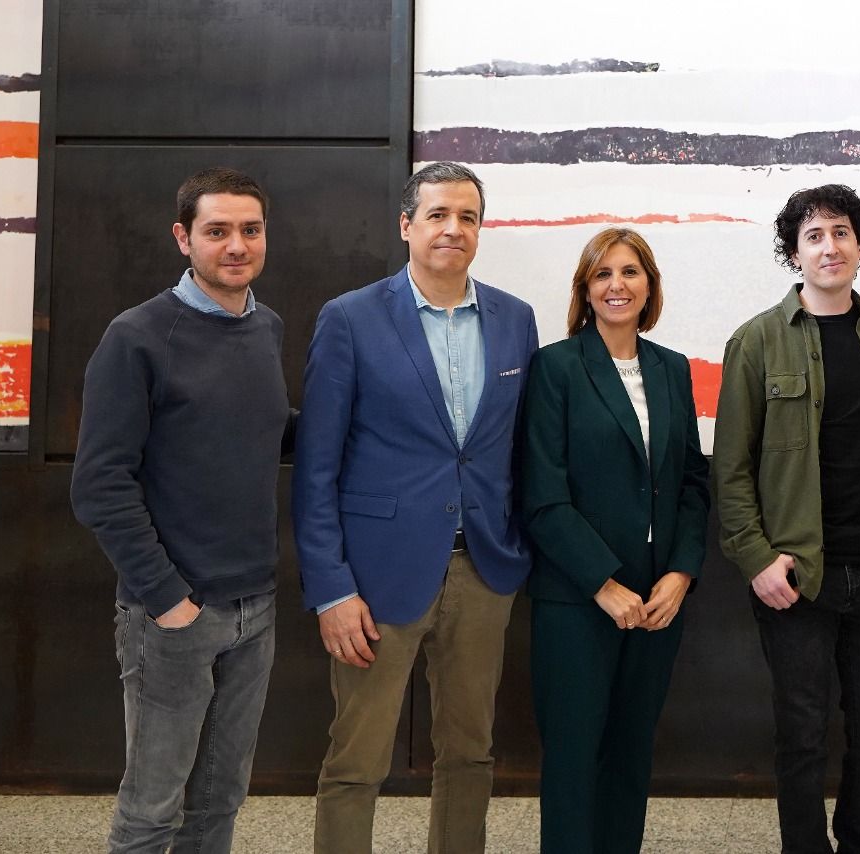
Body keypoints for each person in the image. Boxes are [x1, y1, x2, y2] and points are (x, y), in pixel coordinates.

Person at [292, 161, 538, 853]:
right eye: (437, 215)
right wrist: (331, 588)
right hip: (374, 580)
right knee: (357, 761)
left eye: (467, 217)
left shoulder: (516, 320)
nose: (453, 228)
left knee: (470, 754)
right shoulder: (350, 319)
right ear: (407, 225)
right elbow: (316, 469)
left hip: (483, 571)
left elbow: (519, 448)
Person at [71, 168, 291, 853]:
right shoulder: (136, 336)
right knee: (152, 812)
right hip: (172, 616)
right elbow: (99, 484)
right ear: (182, 237)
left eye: (250, 230)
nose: (237, 245)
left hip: (254, 607)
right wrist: (168, 600)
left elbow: (261, 430)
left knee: (219, 802)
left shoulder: (266, 327)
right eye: (217, 230)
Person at [712, 184, 860, 854]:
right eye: (814, 236)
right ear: (794, 252)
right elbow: (731, 469)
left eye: (841, 233)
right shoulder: (756, 340)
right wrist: (756, 560)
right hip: (796, 576)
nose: (830, 247)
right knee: (801, 734)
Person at [520, 228, 711, 853]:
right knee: (574, 761)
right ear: (585, 289)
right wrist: (602, 584)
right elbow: (543, 495)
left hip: (657, 600)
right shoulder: (556, 367)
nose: (617, 285)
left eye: (630, 272)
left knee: (631, 756)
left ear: (649, 285)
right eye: (602, 274)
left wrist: (680, 573)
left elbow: (691, 483)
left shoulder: (671, 368)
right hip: (579, 599)